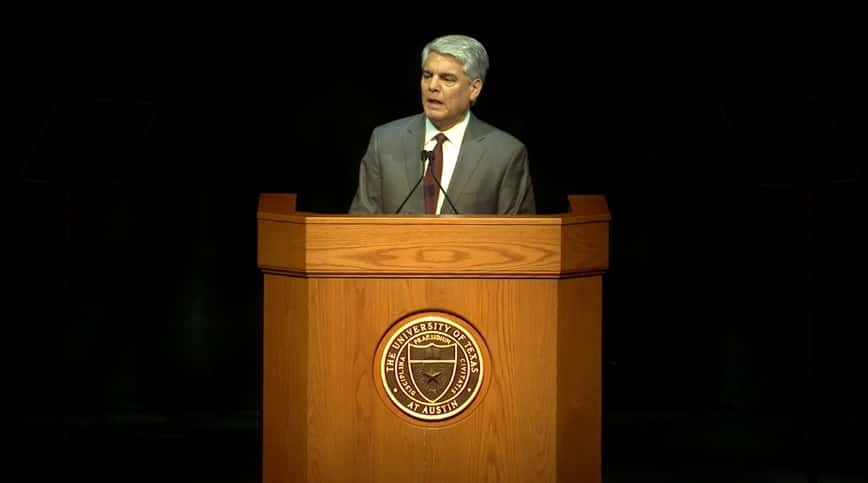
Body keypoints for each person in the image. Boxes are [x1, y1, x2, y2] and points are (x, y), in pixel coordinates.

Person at [349, 34, 536, 215]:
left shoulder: (506, 154)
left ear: (474, 89)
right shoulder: (384, 142)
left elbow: (519, 235)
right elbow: (359, 225)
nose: (432, 86)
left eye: (447, 79)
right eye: (427, 75)